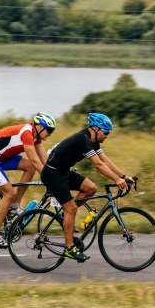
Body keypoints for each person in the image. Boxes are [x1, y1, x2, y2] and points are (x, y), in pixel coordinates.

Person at [41, 112, 133, 262]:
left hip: (63, 172)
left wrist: (123, 177)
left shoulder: (93, 140)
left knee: (90, 188)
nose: (107, 136)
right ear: (96, 128)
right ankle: (69, 248)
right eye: (106, 132)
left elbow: (105, 161)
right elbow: (97, 165)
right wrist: (116, 179)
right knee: (72, 208)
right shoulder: (82, 139)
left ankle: (67, 216)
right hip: (52, 173)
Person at [0, 112, 57, 247]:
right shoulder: (27, 133)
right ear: (40, 127)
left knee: (30, 167)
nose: (50, 134)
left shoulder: (37, 137)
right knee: (9, 193)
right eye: (49, 130)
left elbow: (43, 160)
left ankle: (14, 205)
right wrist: (50, 179)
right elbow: (35, 161)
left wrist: (56, 173)